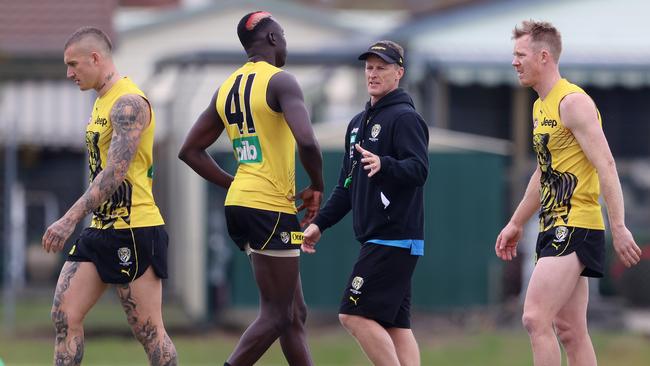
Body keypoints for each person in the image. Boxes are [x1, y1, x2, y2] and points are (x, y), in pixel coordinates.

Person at [177, 11, 323, 366]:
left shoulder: (226, 87)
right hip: (271, 209)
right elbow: (307, 141)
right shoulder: (281, 82)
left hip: (243, 206)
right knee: (276, 315)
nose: (286, 41)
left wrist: (236, 184)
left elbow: (189, 150)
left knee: (293, 313)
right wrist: (317, 185)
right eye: (283, 35)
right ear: (272, 39)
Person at [495, 20, 643, 366]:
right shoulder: (539, 107)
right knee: (570, 330)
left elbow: (606, 165)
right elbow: (542, 171)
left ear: (543, 56)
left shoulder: (573, 102)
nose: (514, 62)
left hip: (575, 225)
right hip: (552, 224)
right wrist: (516, 223)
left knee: (534, 317)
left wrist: (618, 226)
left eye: (520, 55)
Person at [42, 27, 177, 365]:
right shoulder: (101, 101)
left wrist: (69, 217)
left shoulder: (128, 103)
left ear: (96, 58)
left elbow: (115, 173)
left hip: (134, 229)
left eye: (73, 64)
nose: (69, 73)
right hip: (100, 228)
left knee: (149, 332)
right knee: (64, 315)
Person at [302, 40, 429, 366]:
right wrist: (319, 225)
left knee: (352, 314)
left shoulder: (405, 118)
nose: (372, 73)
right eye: (369, 67)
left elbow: (419, 170)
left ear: (399, 73)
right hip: (380, 238)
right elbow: (346, 186)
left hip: (395, 238)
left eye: (381, 67)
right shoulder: (357, 124)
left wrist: (385, 165)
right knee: (397, 326)